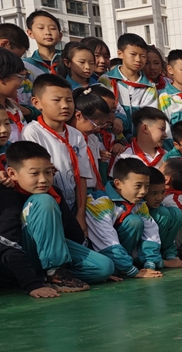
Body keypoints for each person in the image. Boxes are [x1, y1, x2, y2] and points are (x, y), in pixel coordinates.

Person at [1, 140, 114, 291]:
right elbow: (8, 244)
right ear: (12, 173)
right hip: (16, 259)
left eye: (48, 172)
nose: (43, 179)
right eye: (34, 173)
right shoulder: (6, 194)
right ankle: (54, 273)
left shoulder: (53, 192)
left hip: (45, 258)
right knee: (43, 201)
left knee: (104, 267)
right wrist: (32, 285)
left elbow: (72, 234)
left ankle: (51, 275)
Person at [23, 74, 94, 229]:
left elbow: (81, 176)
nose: (65, 106)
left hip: (73, 206)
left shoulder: (76, 135)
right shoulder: (32, 132)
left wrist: (80, 214)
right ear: (36, 102)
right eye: (57, 100)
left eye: (69, 100)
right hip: (48, 206)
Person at [84, 157, 164, 278]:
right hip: (95, 253)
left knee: (135, 221)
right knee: (134, 221)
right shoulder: (98, 202)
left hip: (120, 257)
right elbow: (107, 241)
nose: (143, 191)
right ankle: (121, 267)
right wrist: (132, 271)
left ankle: (122, 267)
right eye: (138, 186)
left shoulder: (138, 202)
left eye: (147, 186)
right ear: (118, 184)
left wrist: (150, 264)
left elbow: (151, 231)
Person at [101, 33, 158, 139]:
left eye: (143, 56)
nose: (138, 59)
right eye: (133, 54)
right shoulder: (106, 80)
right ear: (120, 54)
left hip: (140, 141)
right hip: (112, 138)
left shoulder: (149, 86)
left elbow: (150, 117)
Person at [143, 165, 182, 268]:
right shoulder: (137, 210)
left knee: (176, 213)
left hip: (158, 253)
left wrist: (171, 256)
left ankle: (168, 255)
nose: (159, 197)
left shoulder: (160, 206)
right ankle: (152, 259)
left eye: (162, 192)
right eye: (154, 193)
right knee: (162, 213)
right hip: (142, 254)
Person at [21, 11, 63, 106]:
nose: (48, 32)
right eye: (41, 28)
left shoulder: (69, 62)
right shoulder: (24, 66)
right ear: (30, 33)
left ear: (60, 35)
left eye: (52, 28)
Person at [119, 106, 168, 172]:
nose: (166, 135)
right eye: (162, 129)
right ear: (145, 129)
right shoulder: (123, 156)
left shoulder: (168, 157)